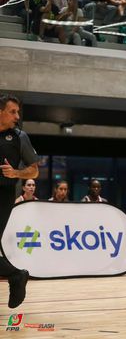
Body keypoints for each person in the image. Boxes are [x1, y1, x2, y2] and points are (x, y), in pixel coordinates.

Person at [0, 94, 39, 309]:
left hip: (2, 197)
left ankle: (16, 276)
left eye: (18, 112)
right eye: (12, 111)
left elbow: (34, 170)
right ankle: (16, 276)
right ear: (0, 112)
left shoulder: (19, 137)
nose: (17, 116)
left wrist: (15, 173)